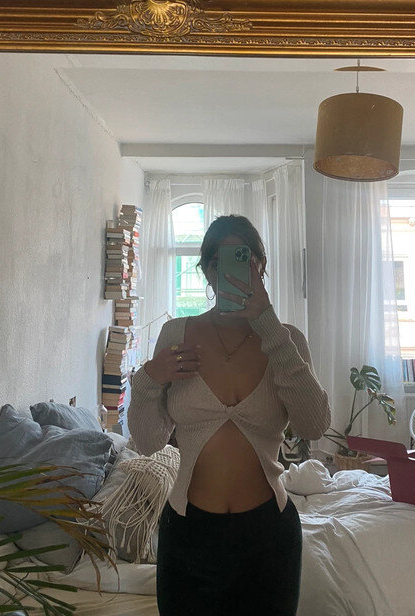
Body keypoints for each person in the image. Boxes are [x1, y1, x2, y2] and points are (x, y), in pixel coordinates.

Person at [128, 214, 331, 616]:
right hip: (188, 534)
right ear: (207, 270)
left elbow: (314, 425)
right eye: (218, 261)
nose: (231, 270)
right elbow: (148, 442)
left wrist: (268, 325)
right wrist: (150, 377)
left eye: (245, 258)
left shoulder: (287, 339)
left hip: (269, 537)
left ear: (260, 265)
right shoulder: (176, 335)